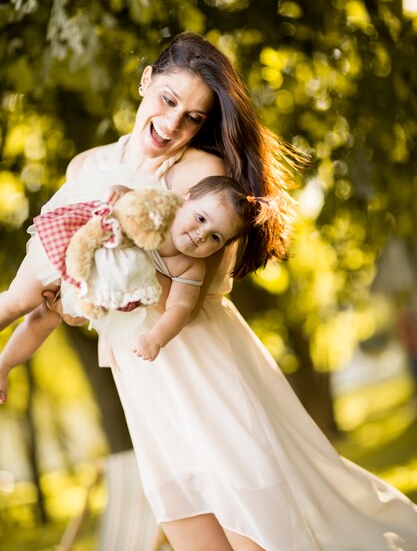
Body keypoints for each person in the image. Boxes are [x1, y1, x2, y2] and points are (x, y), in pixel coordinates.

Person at [2, 32, 417, 550]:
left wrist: (86, 284)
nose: (173, 123)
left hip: (202, 367)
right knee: (191, 529)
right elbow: (54, 276)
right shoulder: (85, 167)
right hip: (143, 378)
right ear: (145, 81)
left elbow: (175, 288)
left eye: (193, 117)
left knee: (259, 528)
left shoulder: (204, 174)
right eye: (168, 100)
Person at [0, 176, 256, 390]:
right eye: (201, 219)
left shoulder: (191, 265)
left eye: (215, 237)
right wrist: (120, 192)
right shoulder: (160, 207)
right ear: (185, 198)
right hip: (74, 244)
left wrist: (156, 338)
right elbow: (129, 199)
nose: (201, 235)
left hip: (93, 283)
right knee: (22, 299)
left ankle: (4, 365)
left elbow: (180, 307)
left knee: (43, 321)